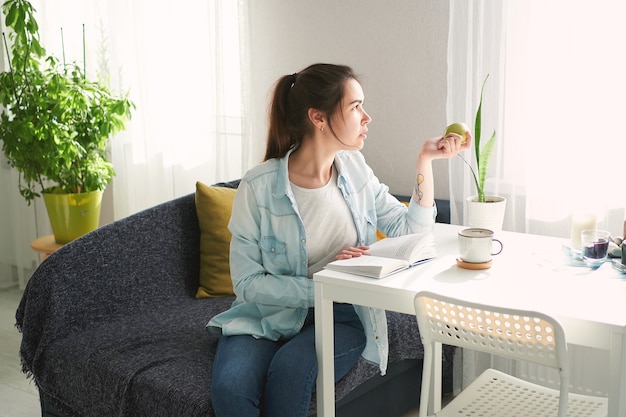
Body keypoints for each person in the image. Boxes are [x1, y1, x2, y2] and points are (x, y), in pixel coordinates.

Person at [207, 63, 471, 417]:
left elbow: (413, 232)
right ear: (318, 117)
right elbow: (246, 283)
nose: (367, 117)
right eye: (355, 106)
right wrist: (325, 280)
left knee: (289, 372)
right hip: (264, 316)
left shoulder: (356, 170)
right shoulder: (258, 187)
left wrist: (426, 160)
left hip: (341, 316)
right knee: (231, 392)